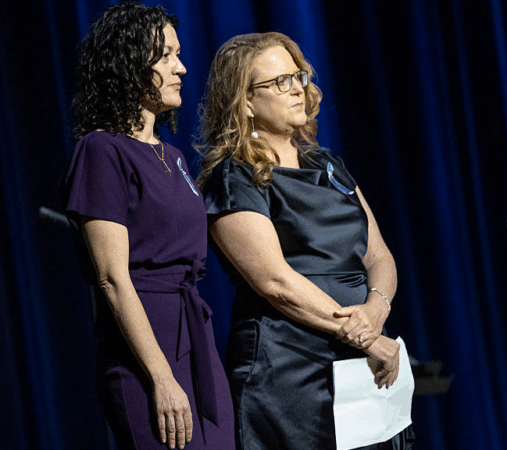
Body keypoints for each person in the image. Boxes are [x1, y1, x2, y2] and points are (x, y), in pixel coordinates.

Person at [196, 32, 415, 450]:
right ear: (244, 102)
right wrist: (364, 334)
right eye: (279, 82)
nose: (297, 87)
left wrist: (375, 311)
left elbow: (380, 256)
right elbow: (275, 283)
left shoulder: (326, 163)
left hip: (361, 361)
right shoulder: (234, 177)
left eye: (297, 75)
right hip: (288, 373)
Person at [58, 3, 234, 449]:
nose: (182, 67)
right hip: (145, 348)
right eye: (166, 56)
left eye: (179, 54)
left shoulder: (173, 157)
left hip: (195, 336)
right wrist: (161, 376)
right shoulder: (101, 151)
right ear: (130, 64)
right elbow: (112, 278)